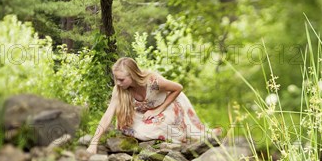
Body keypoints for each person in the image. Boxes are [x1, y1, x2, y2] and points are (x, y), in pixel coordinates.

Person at [86, 57, 221, 154]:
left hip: (168, 103)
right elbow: (108, 115)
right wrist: (94, 142)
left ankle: (192, 136)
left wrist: (158, 110)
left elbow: (178, 88)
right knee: (127, 128)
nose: (118, 82)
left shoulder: (152, 81)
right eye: (116, 79)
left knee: (161, 124)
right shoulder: (120, 89)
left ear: (133, 76)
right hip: (145, 111)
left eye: (121, 79)